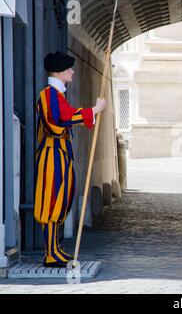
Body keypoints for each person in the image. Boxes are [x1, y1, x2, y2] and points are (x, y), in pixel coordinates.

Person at [34, 51, 107, 268]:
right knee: (51, 201)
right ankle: (50, 253)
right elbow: (58, 121)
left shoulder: (58, 95)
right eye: (68, 69)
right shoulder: (48, 95)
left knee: (61, 201)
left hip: (61, 154)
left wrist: (90, 112)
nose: (72, 72)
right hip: (51, 155)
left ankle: (55, 249)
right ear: (58, 72)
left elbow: (68, 115)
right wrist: (93, 110)